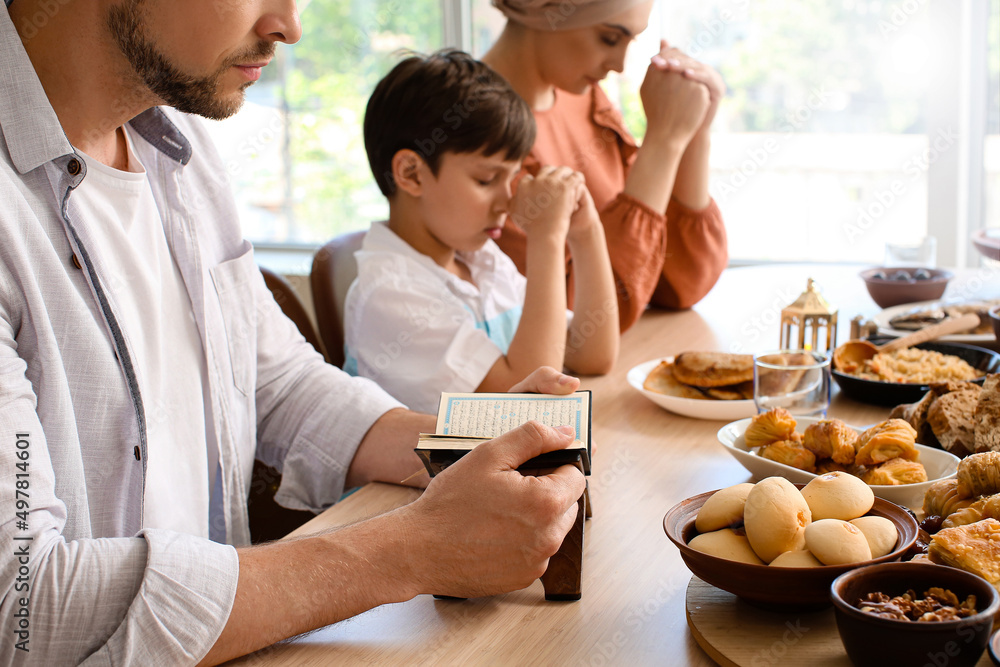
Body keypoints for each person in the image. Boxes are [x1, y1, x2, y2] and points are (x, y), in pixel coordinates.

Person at [0, 1, 586, 664]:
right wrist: (412, 549)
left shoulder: (181, 158)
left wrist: (479, 444)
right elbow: (22, 607)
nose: (289, 25)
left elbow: (279, 382)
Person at [344, 50, 619, 414]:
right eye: (486, 179)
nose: (507, 201)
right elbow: (528, 407)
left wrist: (585, 233)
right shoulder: (391, 293)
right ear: (411, 173)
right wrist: (546, 238)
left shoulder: (479, 260)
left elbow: (592, 355)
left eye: (513, 176)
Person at [482, 0, 729, 332]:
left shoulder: (583, 96)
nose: (619, 65)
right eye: (610, 38)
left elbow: (681, 283)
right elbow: (579, 325)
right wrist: (664, 142)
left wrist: (694, 133)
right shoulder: (477, 130)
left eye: (631, 42)